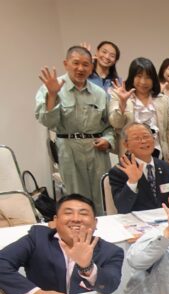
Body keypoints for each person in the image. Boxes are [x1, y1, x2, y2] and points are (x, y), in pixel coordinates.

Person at [0, 194, 123, 294]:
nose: (76, 219)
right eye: (68, 213)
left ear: (95, 222)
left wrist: (87, 267)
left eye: (83, 214)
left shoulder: (110, 251)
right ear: (55, 220)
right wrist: (36, 293)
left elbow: (110, 286)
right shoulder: (37, 239)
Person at [36, 46, 114, 213]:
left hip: (97, 151)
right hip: (69, 149)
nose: (80, 68)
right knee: (75, 198)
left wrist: (108, 140)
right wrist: (52, 95)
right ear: (66, 64)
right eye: (76, 63)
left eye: (85, 64)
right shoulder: (51, 88)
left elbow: (110, 126)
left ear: (91, 68)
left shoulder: (99, 93)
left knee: (103, 197)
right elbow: (48, 121)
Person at [109, 57, 169, 167]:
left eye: (148, 77)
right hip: (130, 158)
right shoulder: (119, 96)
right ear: (132, 77)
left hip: (159, 155)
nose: (143, 81)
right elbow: (116, 124)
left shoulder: (163, 100)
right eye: (139, 76)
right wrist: (122, 103)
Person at [108, 123, 169, 213]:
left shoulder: (165, 167)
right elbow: (122, 208)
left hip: (164, 216)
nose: (143, 141)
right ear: (126, 145)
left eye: (146, 136)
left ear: (154, 139)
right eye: (137, 138)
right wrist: (132, 182)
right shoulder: (119, 171)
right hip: (135, 219)